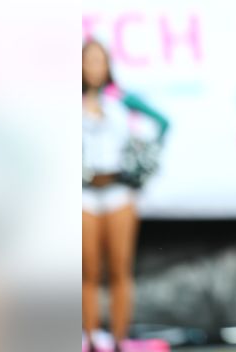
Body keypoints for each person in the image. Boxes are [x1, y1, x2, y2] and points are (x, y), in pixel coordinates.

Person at [82, 39, 170, 352]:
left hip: (119, 191)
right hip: (85, 194)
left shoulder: (121, 99)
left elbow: (163, 122)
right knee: (87, 271)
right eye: (88, 60)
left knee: (120, 268)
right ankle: (90, 339)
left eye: (100, 61)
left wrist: (144, 158)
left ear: (108, 65)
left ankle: (120, 341)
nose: (94, 67)